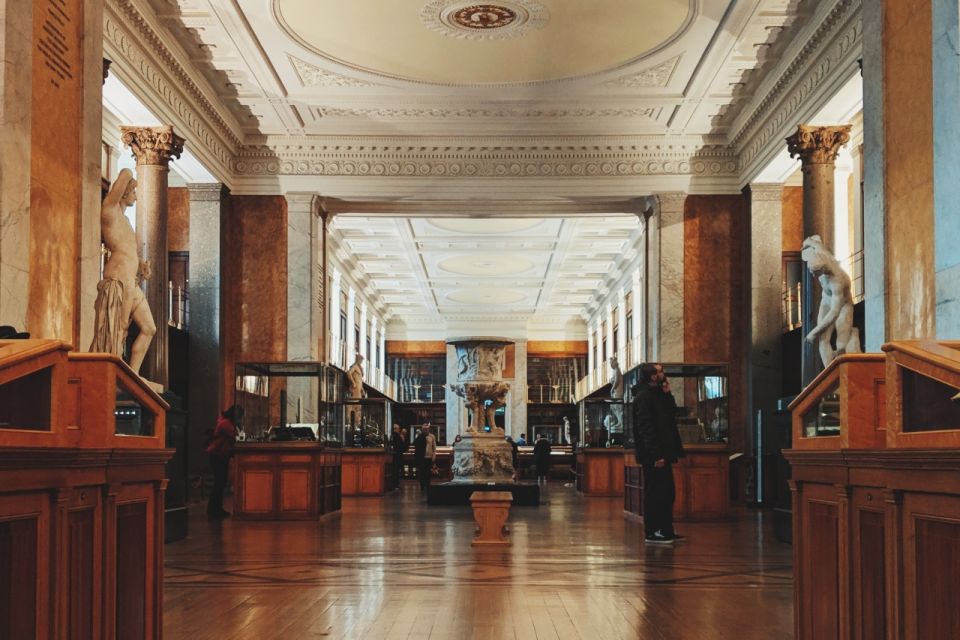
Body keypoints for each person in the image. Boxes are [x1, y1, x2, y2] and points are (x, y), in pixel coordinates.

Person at [89, 169, 157, 375]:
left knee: (149, 329)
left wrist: (142, 267)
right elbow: (125, 173)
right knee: (117, 330)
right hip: (118, 279)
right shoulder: (109, 211)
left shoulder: (126, 222)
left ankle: (133, 374)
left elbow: (130, 251)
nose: (136, 195)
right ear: (124, 192)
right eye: (134, 191)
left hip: (131, 280)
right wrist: (129, 174)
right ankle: (111, 374)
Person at [632, 363, 685, 544]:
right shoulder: (643, 397)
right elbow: (646, 428)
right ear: (653, 376)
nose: (664, 373)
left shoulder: (657, 394)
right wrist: (656, 454)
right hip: (654, 455)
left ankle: (666, 529)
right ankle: (653, 531)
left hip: (664, 452)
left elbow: (671, 414)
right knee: (655, 493)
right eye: (660, 371)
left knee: (667, 492)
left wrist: (667, 393)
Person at [206, 404, 243, 517]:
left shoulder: (225, 421)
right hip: (218, 454)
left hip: (220, 454)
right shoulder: (226, 424)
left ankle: (216, 509)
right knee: (219, 483)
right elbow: (234, 436)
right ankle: (214, 510)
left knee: (220, 483)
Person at [414, 423, 437, 491]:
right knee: (422, 472)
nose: (425, 430)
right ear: (422, 429)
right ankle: (422, 485)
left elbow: (434, 447)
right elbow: (415, 445)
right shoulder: (420, 436)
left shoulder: (432, 436)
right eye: (424, 429)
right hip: (422, 457)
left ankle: (428, 484)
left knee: (428, 472)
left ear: (429, 429)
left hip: (429, 456)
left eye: (427, 429)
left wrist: (434, 455)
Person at [390, 423, 405, 489]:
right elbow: (400, 446)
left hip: (396, 455)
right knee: (396, 471)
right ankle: (395, 485)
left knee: (396, 470)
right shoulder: (396, 436)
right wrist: (403, 440)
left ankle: (395, 485)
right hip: (397, 455)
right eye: (398, 428)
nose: (399, 430)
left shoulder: (394, 436)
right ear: (395, 429)